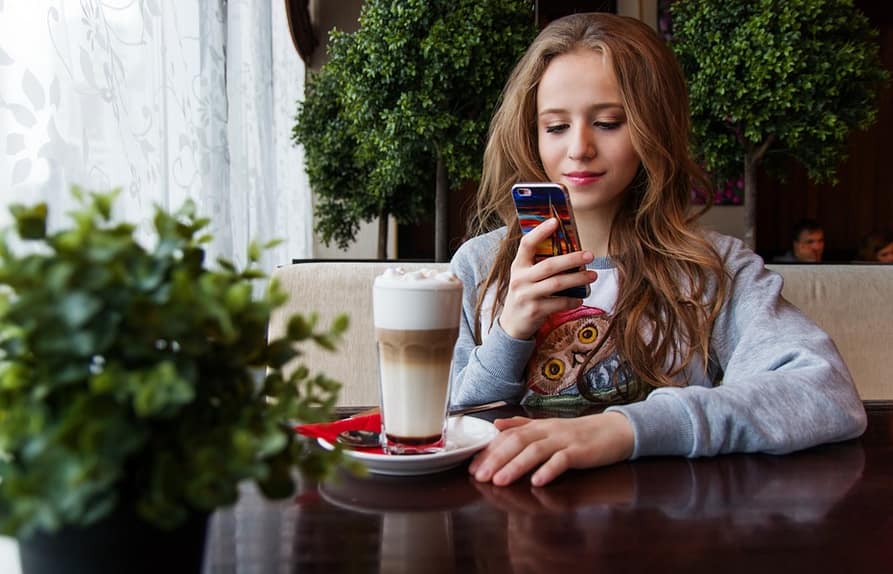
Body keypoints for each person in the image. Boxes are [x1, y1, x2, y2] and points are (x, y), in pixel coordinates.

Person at [448, 13, 865, 488]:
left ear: (654, 128)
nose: (579, 148)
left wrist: (626, 428)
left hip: (665, 528)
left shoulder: (713, 269)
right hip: (508, 525)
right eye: (557, 126)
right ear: (531, 132)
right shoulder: (480, 266)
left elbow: (826, 393)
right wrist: (508, 335)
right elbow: (434, 426)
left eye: (608, 123)